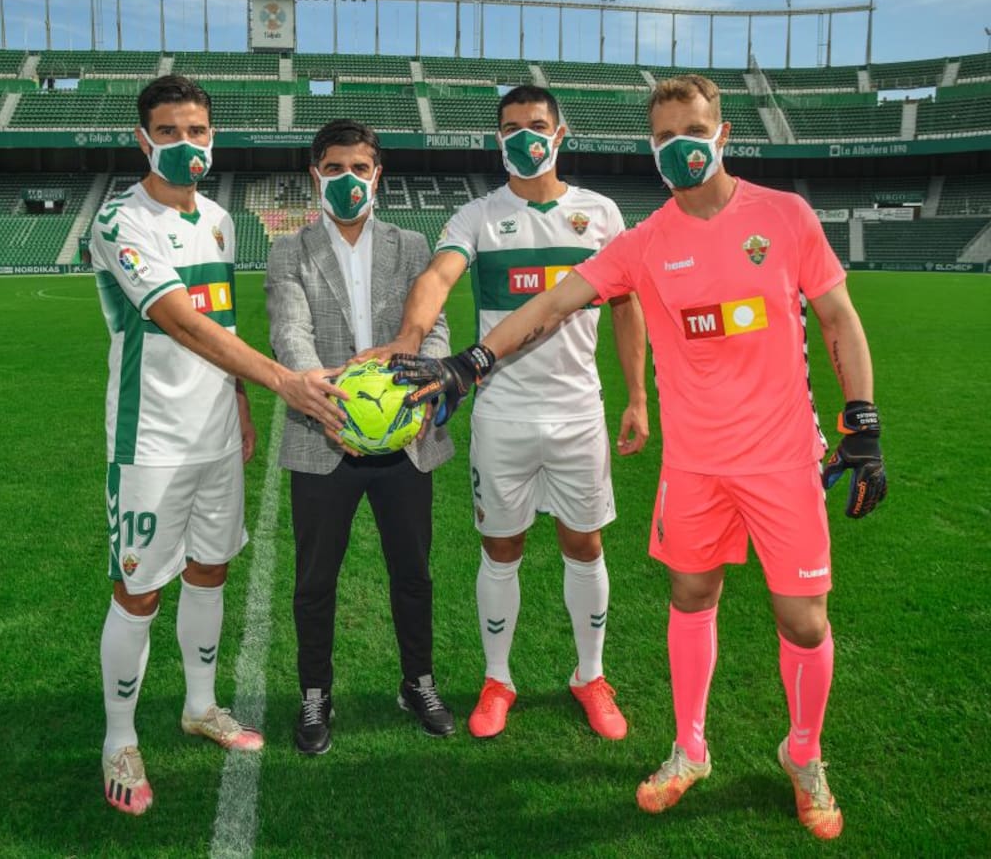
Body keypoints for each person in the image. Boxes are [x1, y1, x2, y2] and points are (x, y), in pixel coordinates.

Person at [394, 74, 887, 841]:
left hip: (783, 458)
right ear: (650, 148)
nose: (678, 147)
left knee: (804, 620)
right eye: (662, 138)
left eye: (691, 131)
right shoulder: (645, 241)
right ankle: (690, 749)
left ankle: (803, 754)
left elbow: (838, 318)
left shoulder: (784, 216)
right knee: (690, 597)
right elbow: (553, 304)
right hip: (693, 466)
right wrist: (472, 362)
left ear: (722, 134)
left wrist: (863, 421)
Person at [89, 75, 348, 815]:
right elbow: (180, 320)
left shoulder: (220, 220)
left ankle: (200, 706)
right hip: (150, 439)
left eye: (197, 131)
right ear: (142, 139)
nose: (186, 144)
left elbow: (222, 323)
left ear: (213, 136)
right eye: (169, 132)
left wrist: (238, 401)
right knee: (140, 589)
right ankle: (118, 739)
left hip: (214, 435)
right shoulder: (119, 220)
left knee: (210, 570)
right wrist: (283, 381)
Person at [363, 85, 649, 741]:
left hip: (578, 412)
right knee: (501, 547)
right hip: (501, 412)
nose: (525, 137)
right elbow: (438, 277)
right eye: (512, 127)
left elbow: (626, 306)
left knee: (585, 544)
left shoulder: (601, 214)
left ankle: (590, 676)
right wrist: (409, 339)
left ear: (560, 133)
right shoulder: (479, 215)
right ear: (498, 139)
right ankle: (498, 680)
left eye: (537, 125)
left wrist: (637, 396)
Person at [265, 119, 457, 756]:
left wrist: (424, 388)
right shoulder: (289, 251)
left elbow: (434, 328)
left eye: (360, 168)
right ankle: (315, 694)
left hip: (406, 443)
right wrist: (328, 406)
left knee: (413, 573)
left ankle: (418, 682)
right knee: (315, 580)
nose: (347, 179)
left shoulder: (412, 244)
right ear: (314, 176)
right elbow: (289, 333)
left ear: (378, 177)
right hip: (325, 440)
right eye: (334, 168)